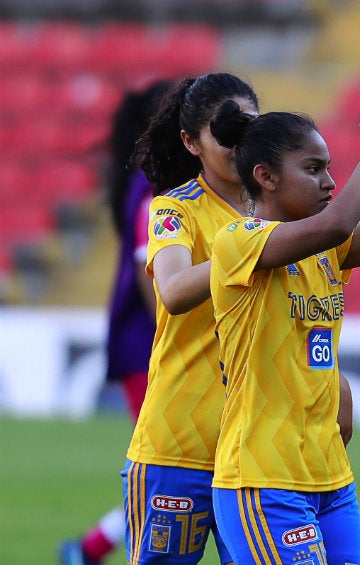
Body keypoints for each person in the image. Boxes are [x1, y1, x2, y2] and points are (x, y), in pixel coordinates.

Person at [208, 69, 360, 564]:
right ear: (265, 177)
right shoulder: (238, 242)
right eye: (313, 169)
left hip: (330, 476)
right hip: (263, 480)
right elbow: (337, 222)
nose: (330, 181)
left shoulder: (327, 249)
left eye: (330, 168)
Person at [123, 72, 260, 565]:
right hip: (178, 446)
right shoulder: (172, 210)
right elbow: (176, 291)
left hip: (255, 456)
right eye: (223, 130)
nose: (237, 142)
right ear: (190, 141)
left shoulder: (282, 216)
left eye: (248, 126)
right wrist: (254, 249)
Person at [59, 80, 173, 565]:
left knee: (176, 471)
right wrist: (174, 335)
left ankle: (91, 549)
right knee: (173, 470)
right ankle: (91, 549)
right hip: (150, 347)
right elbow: (152, 274)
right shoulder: (153, 187)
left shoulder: (142, 182)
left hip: (139, 345)